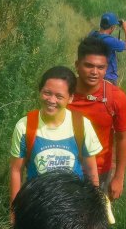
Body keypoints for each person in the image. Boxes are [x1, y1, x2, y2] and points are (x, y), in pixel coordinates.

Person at [10, 66, 103, 205]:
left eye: (59, 96)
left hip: (73, 207)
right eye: (47, 93)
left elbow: (91, 170)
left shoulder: (82, 125)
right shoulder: (24, 127)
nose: (52, 100)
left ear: (70, 98)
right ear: (40, 91)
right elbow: (16, 170)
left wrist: (95, 204)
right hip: (36, 206)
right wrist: (14, 210)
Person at [68, 38, 126, 201]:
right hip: (62, 168)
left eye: (101, 67)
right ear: (77, 65)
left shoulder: (116, 98)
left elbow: (123, 138)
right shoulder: (62, 94)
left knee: (93, 222)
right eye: (89, 65)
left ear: (107, 69)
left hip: (99, 172)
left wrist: (118, 177)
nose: (94, 72)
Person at [88, 12, 126, 85]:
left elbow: (106, 39)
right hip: (108, 78)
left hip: (94, 73)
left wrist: (116, 42)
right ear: (112, 27)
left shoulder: (92, 34)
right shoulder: (111, 41)